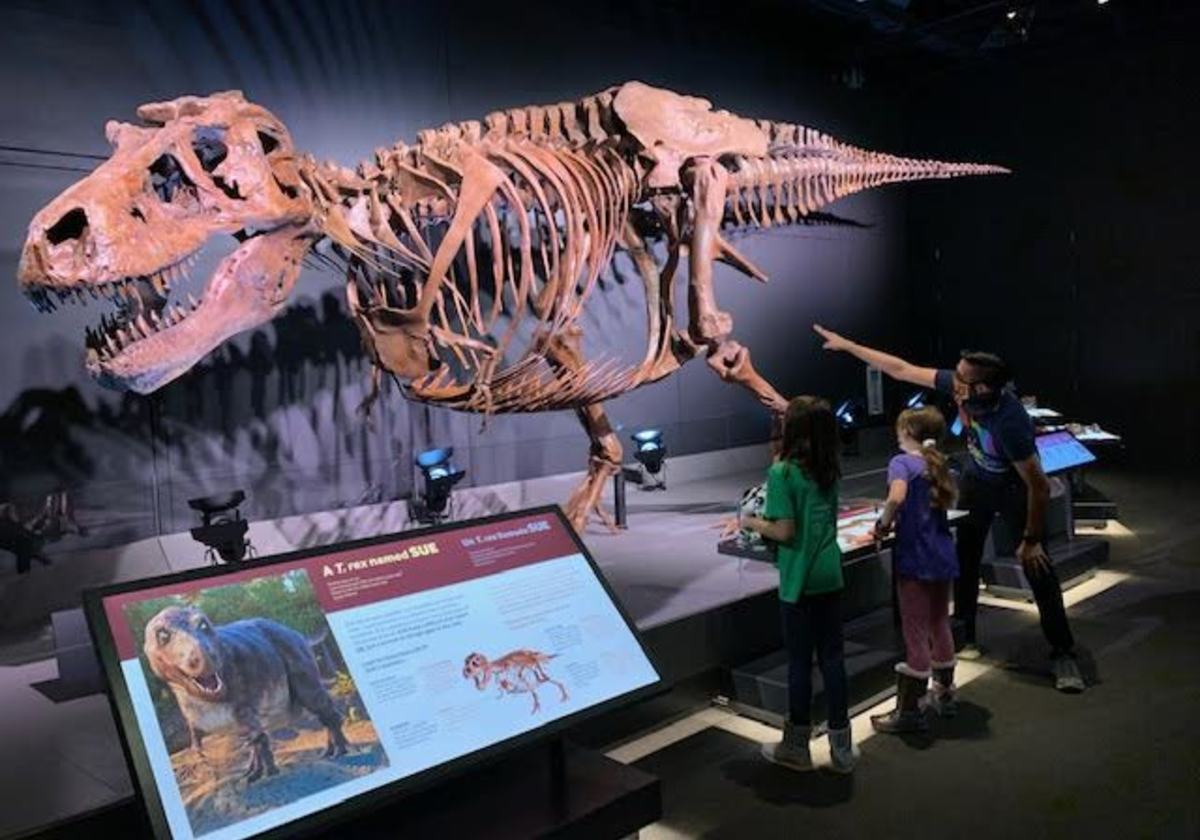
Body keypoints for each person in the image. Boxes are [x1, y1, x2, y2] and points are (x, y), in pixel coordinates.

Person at [812, 324, 1086, 693]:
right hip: (977, 480)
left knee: (1039, 568)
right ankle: (965, 632)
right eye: (955, 375)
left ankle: (1063, 652)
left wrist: (1032, 537)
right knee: (966, 555)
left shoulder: (1011, 422)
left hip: (1011, 488)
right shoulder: (965, 388)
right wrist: (849, 346)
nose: (952, 382)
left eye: (961, 378)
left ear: (984, 388)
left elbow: (1036, 485)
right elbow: (902, 369)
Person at [741, 396, 859, 773]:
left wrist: (750, 522)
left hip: (799, 581)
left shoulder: (783, 473)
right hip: (830, 574)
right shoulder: (829, 469)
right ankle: (842, 749)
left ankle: (796, 748)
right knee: (833, 659)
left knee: (798, 663)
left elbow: (784, 530)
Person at [870, 407, 960, 733]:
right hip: (942, 554)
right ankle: (946, 696)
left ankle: (910, 712)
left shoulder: (901, 462)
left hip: (916, 558)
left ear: (907, 429)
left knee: (915, 631)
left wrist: (882, 525)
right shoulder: (938, 461)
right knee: (940, 623)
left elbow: (896, 496)